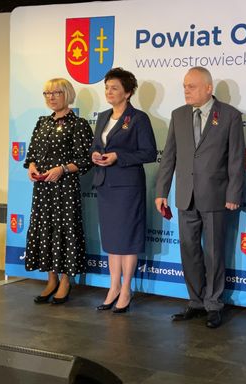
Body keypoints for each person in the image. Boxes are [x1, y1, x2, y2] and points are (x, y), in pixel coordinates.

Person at [155, 67, 244, 328]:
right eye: (184, 86)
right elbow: (169, 156)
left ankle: (213, 304)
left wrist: (233, 193)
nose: (186, 90)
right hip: (185, 195)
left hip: (216, 195)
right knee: (189, 250)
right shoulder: (178, 115)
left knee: (214, 253)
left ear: (208, 88)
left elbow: (236, 159)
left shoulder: (229, 115)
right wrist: (161, 191)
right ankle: (195, 301)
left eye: (191, 86)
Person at [91, 68, 157, 313]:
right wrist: (95, 154)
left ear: (128, 93)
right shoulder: (103, 117)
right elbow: (96, 145)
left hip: (128, 188)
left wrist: (119, 156)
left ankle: (126, 289)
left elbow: (149, 153)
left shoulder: (138, 118)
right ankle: (113, 287)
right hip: (105, 185)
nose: (109, 92)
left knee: (127, 240)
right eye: (107, 87)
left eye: (115, 88)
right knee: (112, 240)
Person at [25, 78, 93, 304]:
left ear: (67, 95)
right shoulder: (42, 122)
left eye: (56, 93)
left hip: (65, 188)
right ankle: (51, 279)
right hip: (43, 189)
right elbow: (32, 154)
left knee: (66, 230)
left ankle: (65, 280)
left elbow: (85, 160)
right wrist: (32, 167)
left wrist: (62, 169)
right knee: (45, 230)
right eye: (47, 93)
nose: (51, 97)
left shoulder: (78, 124)